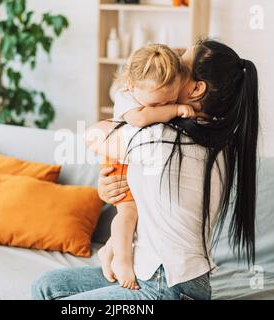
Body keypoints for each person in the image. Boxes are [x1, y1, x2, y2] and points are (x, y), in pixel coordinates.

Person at [32, 39, 259, 300]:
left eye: (180, 65)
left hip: (166, 284)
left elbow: (93, 136)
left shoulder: (161, 138)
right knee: (47, 286)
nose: (169, 68)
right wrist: (112, 188)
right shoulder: (222, 145)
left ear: (196, 89)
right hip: (161, 275)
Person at [98, 43, 195, 290]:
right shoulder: (125, 94)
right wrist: (175, 108)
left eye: (168, 101)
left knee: (140, 214)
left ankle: (113, 251)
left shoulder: (151, 84)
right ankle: (121, 258)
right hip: (119, 159)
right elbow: (139, 118)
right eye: (155, 105)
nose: (161, 109)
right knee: (128, 213)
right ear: (131, 86)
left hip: (134, 158)